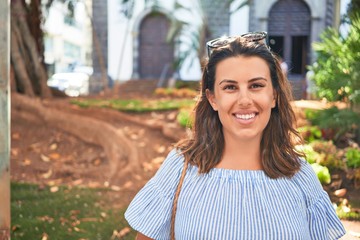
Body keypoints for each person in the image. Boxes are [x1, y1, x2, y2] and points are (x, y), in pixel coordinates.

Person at [125, 32, 345, 239]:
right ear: (212, 99)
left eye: (256, 85)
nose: (244, 100)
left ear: (274, 96)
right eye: (230, 87)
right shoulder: (179, 169)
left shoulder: (300, 176)